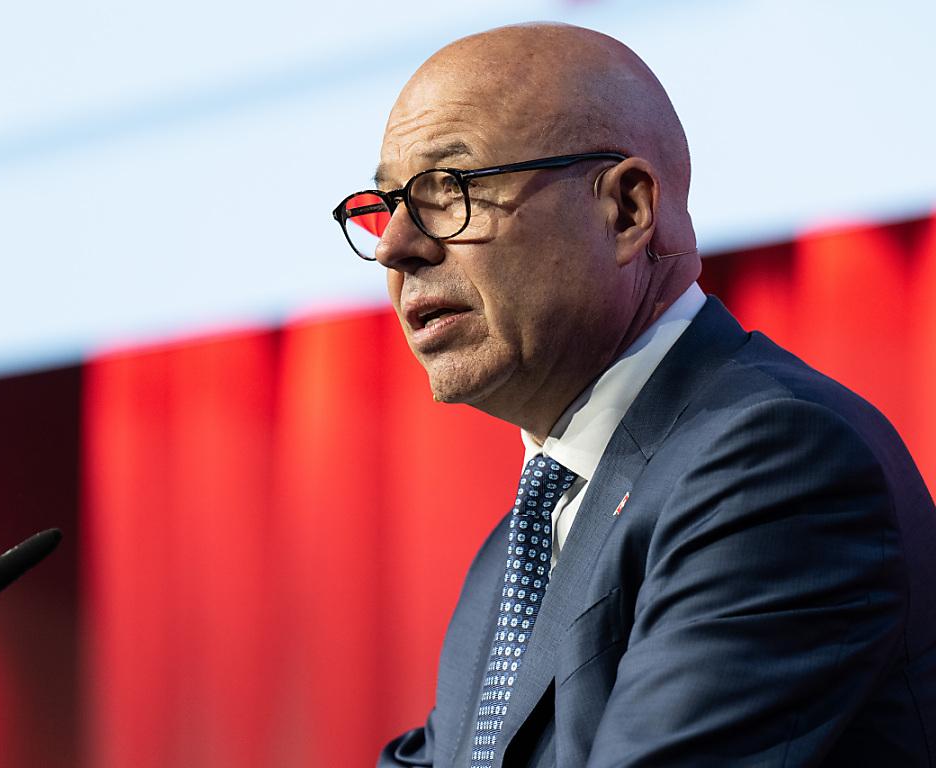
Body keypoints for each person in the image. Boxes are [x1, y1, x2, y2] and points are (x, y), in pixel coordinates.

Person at [331, 23, 936, 767]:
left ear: (625, 210)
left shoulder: (776, 465)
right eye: (386, 204)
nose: (394, 247)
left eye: (450, 190)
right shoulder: (512, 557)